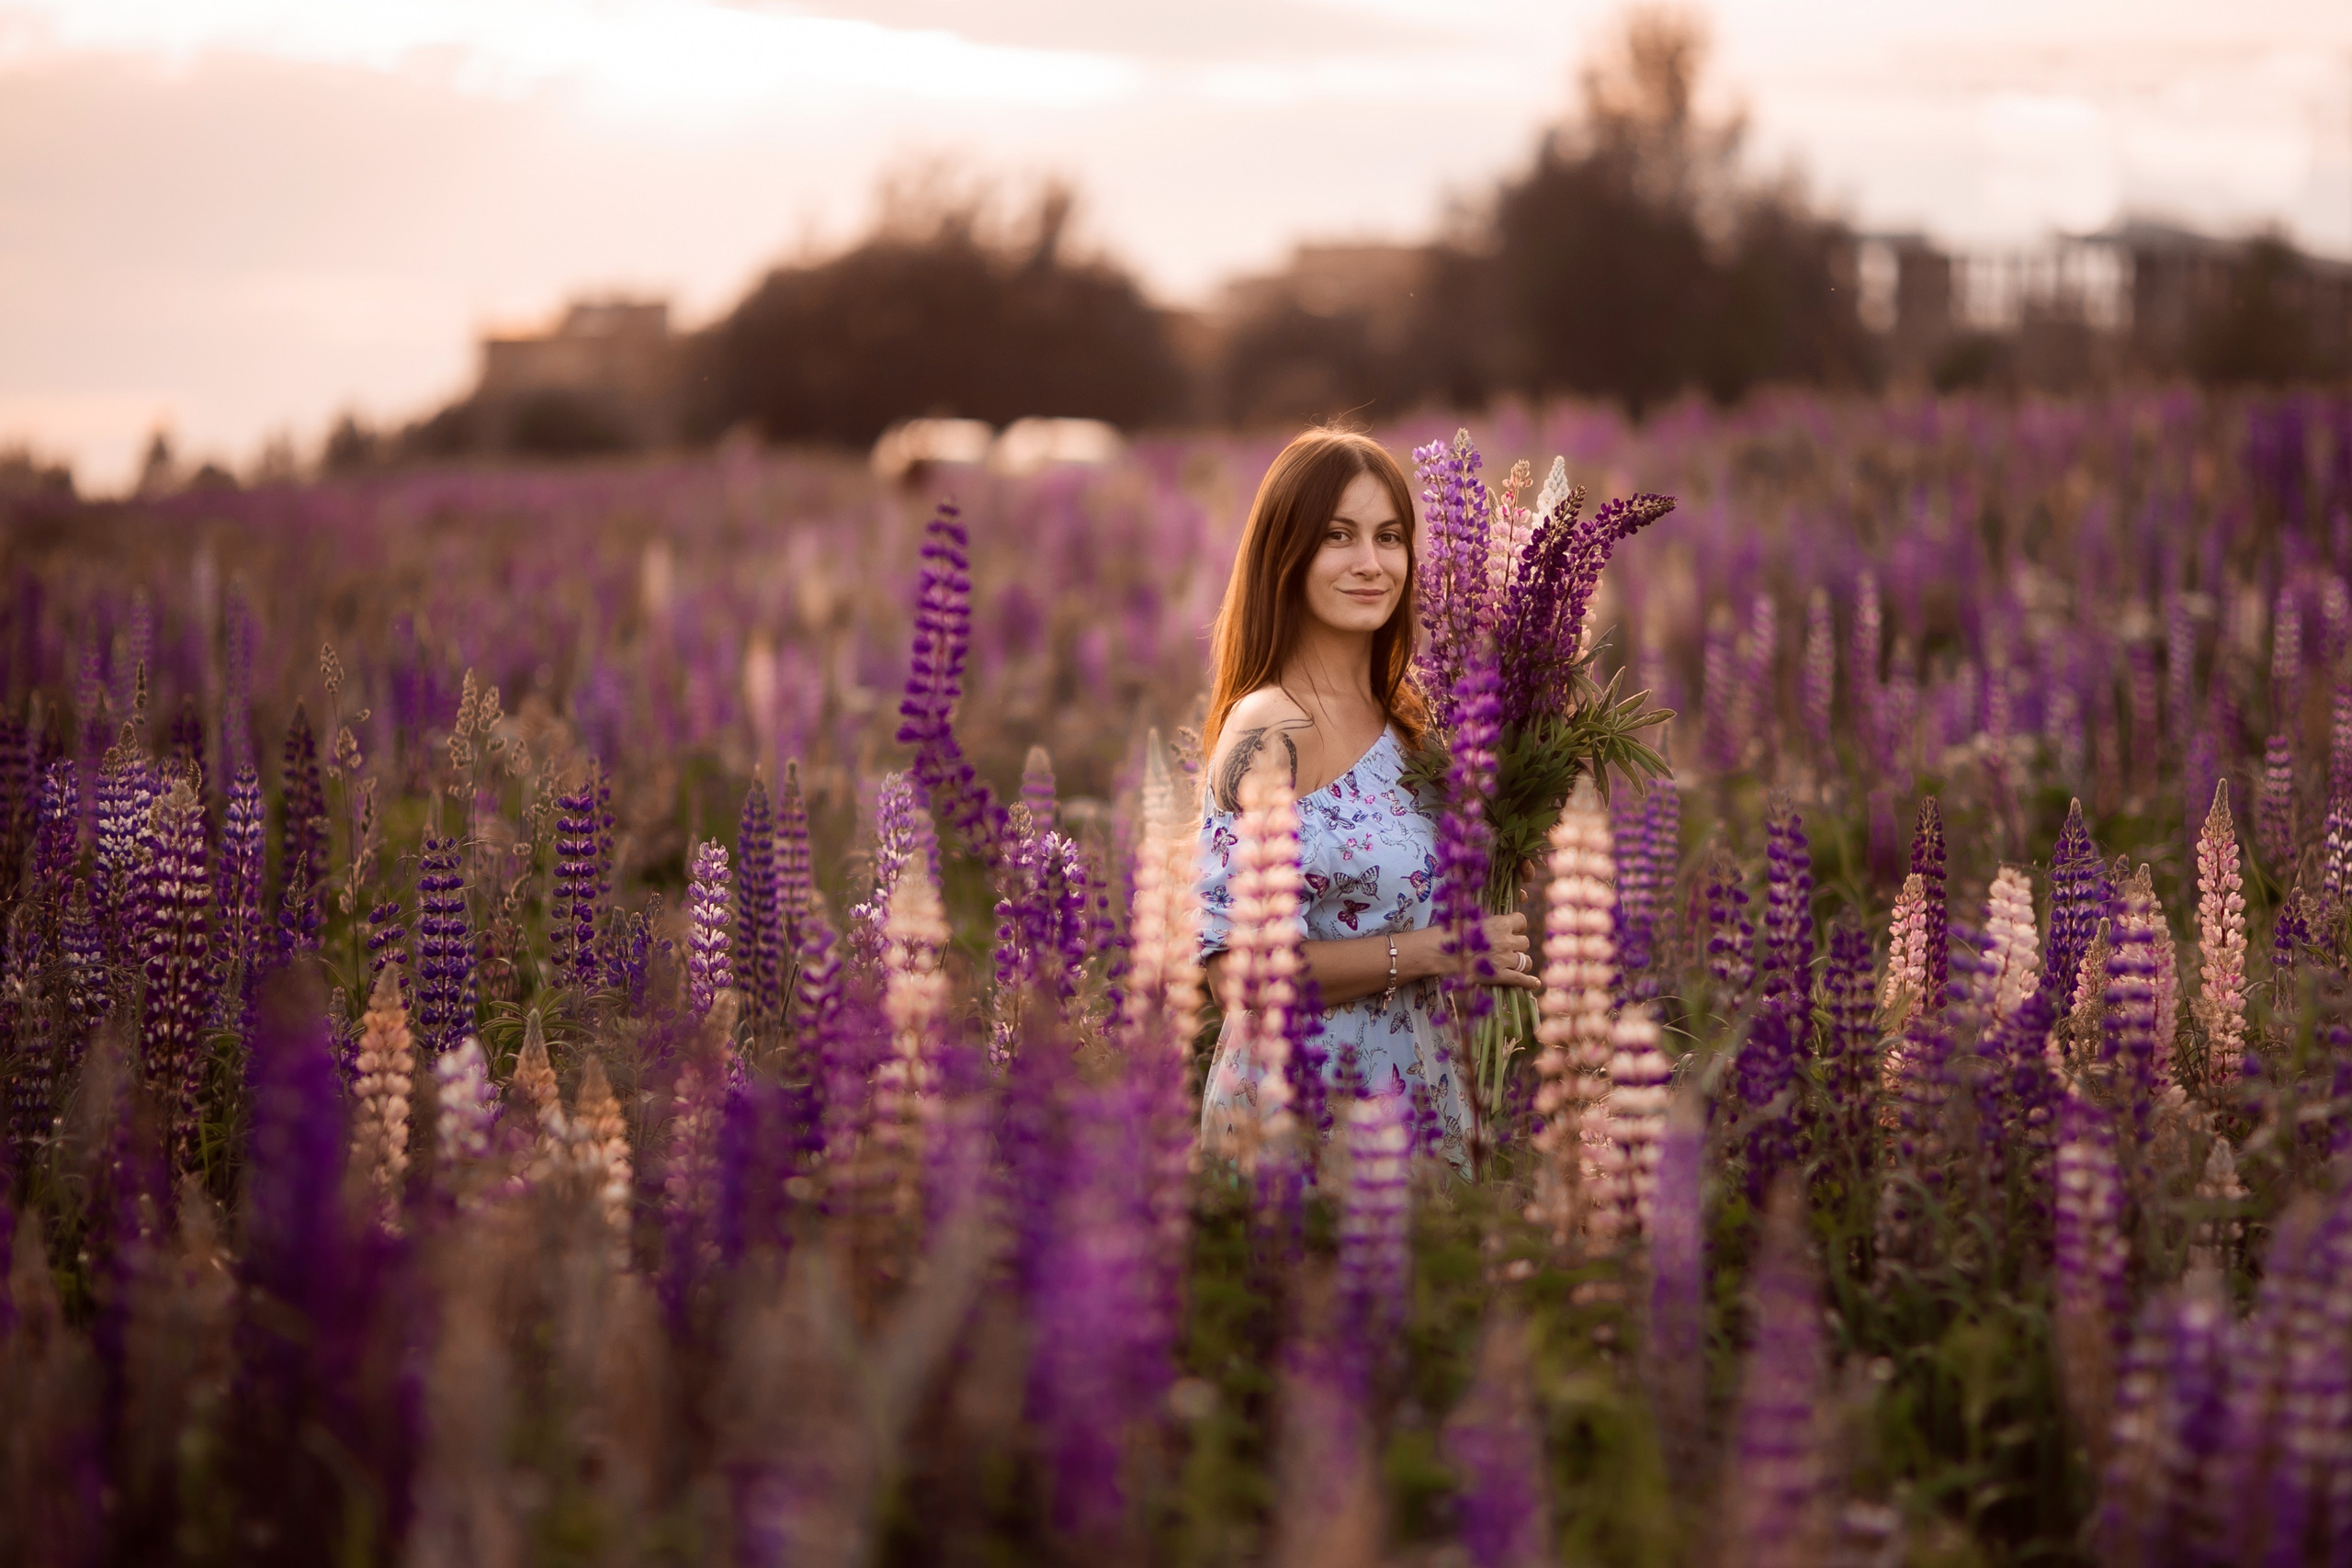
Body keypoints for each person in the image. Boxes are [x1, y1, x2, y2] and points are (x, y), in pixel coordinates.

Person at [1196, 428, 1539, 1166]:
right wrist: (1443, 950)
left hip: (1422, 1103)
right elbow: (1238, 974)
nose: (1370, 563)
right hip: (1298, 1125)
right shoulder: (1270, 730)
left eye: (1389, 537)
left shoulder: (1415, 723)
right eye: (1338, 536)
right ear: (1286, 556)